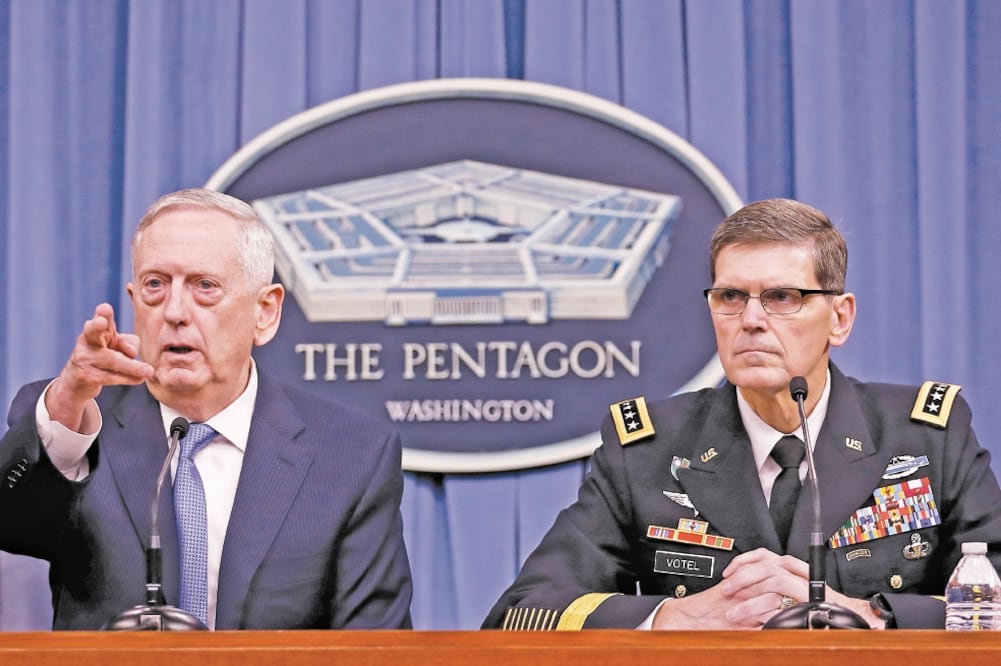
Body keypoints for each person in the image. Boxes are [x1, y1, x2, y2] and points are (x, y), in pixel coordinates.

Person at [482, 198, 1001, 631]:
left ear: (839, 318)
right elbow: (522, 612)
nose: (751, 320)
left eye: (782, 297)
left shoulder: (926, 437)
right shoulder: (648, 450)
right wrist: (674, 616)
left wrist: (871, 615)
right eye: (731, 296)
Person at [0, 188, 413, 630]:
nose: (175, 310)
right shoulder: (78, 420)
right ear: (134, 297)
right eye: (155, 285)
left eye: (205, 286)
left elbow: (373, 644)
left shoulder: (350, 455)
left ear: (265, 313)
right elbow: (10, 525)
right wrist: (68, 399)